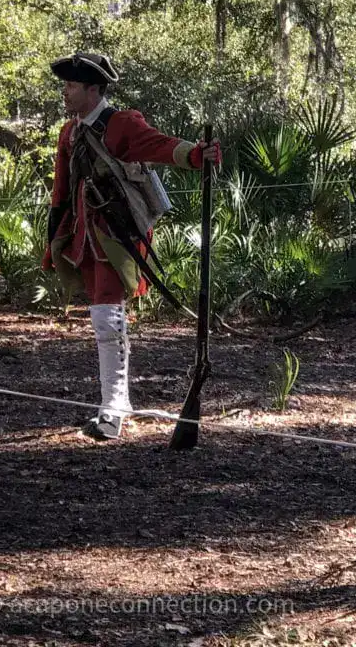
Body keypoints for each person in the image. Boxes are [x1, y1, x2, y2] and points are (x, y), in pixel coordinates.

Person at [42, 52, 221, 441]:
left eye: (72, 86)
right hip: (82, 238)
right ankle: (115, 403)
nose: (66, 93)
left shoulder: (120, 123)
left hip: (116, 237)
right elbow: (61, 192)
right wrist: (53, 240)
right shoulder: (68, 133)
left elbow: (157, 145)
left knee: (107, 320)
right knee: (100, 318)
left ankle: (113, 409)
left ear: (94, 89)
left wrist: (195, 155)